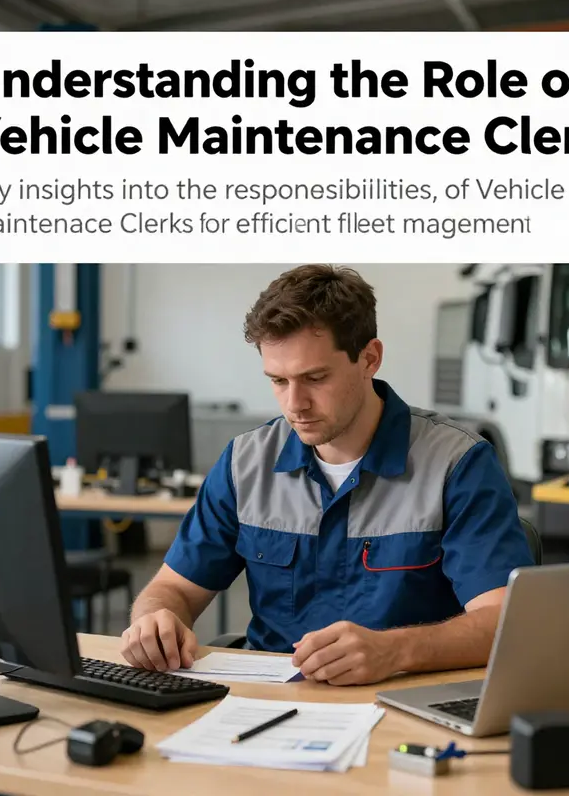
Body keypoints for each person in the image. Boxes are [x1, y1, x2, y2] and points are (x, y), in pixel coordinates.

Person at [121, 264, 534, 686]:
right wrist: (156, 619)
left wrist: (395, 650)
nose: (294, 403)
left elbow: (501, 621)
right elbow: (174, 588)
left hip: (398, 702)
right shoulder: (245, 463)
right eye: (278, 380)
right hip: (267, 703)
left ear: (369, 358)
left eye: (315, 378)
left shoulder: (457, 464)